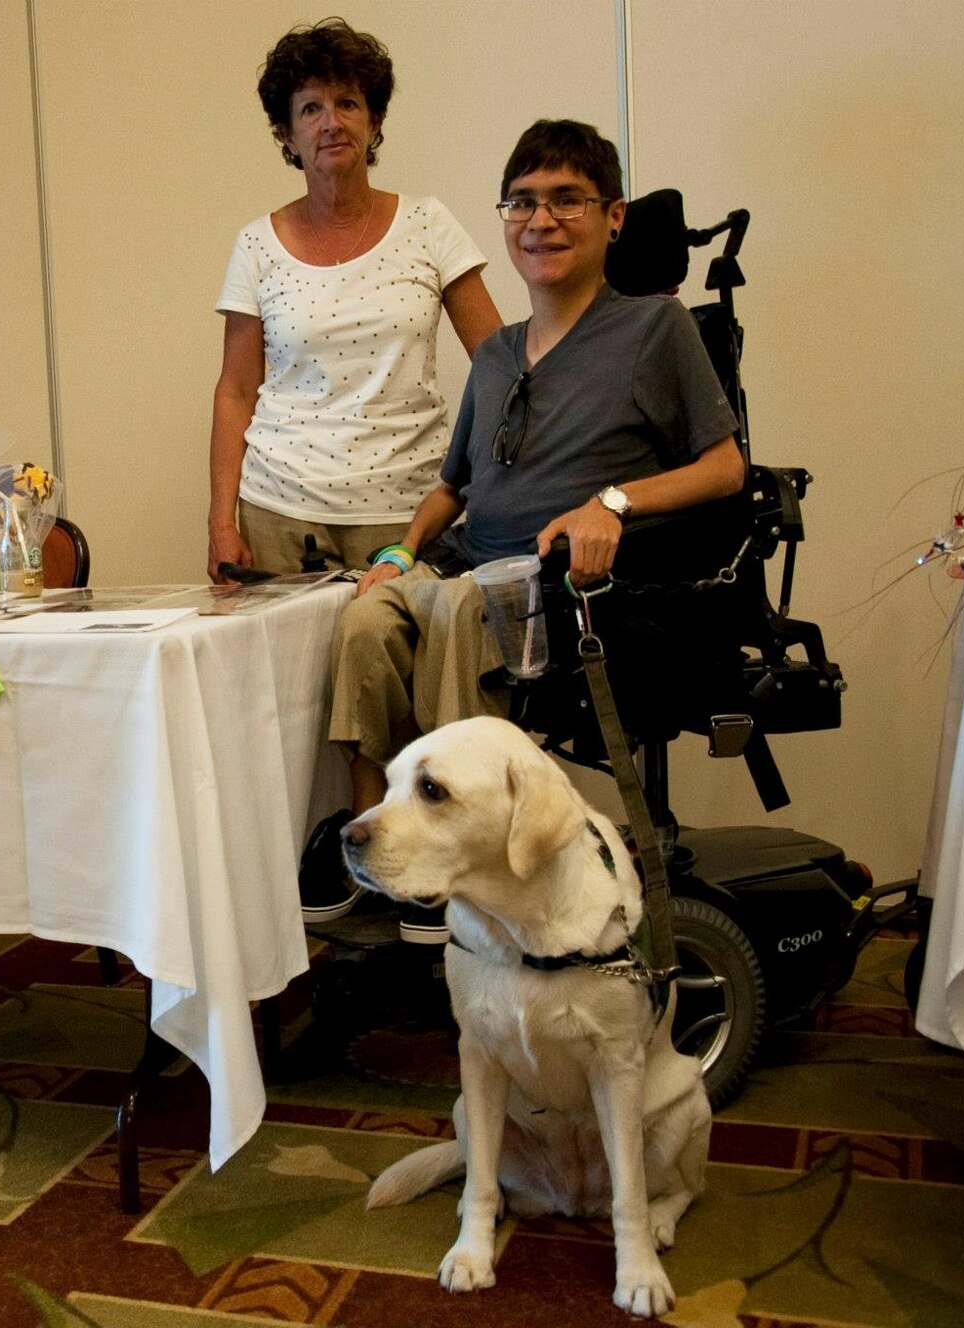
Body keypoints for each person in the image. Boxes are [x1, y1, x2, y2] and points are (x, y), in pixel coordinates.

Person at [312, 119, 747, 942]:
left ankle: (449, 863)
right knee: (367, 618)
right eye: (522, 202)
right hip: (473, 562)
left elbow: (725, 468)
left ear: (613, 217)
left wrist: (612, 505)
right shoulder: (498, 355)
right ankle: (380, 850)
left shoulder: (656, 330)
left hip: (565, 591)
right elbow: (452, 487)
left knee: (461, 606)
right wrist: (402, 551)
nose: (539, 220)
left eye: (565, 201)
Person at [208, 19, 501, 583]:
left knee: (398, 665)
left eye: (348, 103)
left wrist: (482, 476)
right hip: (279, 514)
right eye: (310, 109)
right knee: (290, 674)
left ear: (375, 121)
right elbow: (236, 389)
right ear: (287, 136)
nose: (332, 122)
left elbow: (498, 361)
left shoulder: (428, 224)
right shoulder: (255, 244)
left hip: (410, 512)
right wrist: (222, 520)